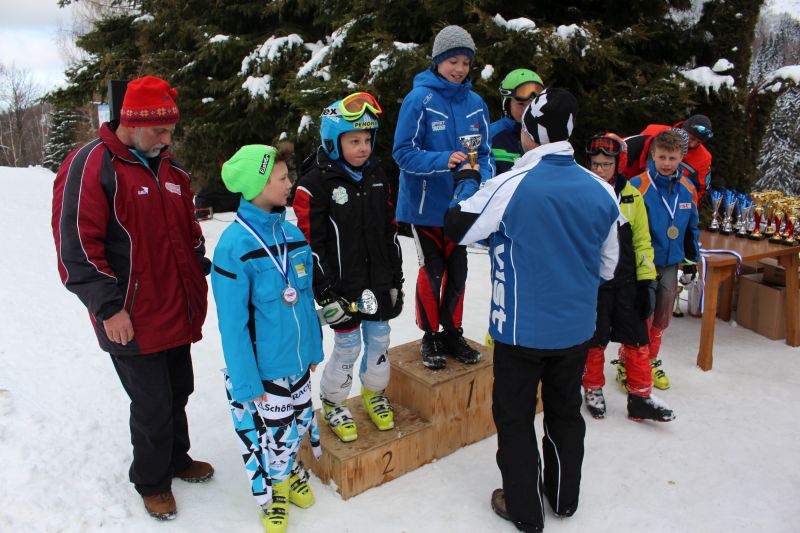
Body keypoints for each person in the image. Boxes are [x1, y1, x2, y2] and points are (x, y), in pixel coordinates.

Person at [444, 88, 621, 533]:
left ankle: (524, 509)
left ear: (531, 133)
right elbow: (608, 266)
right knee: (565, 412)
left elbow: (457, 226)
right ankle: (564, 498)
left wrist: (467, 178)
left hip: (520, 331)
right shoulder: (602, 190)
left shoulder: (511, 184)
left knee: (515, 418)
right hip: (575, 329)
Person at [51, 75, 213, 521]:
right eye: (159, 131)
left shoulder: (171, 169)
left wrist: (197, 263)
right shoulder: (91, 164)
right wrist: (108, 308)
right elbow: (76, 245)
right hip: (129, 315)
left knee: (178, 390)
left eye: (170, 131)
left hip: (175, 306)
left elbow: (188, 230)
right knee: (152, 403)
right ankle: (152, 481)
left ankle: (176, 459)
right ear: (132, 122)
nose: (167, 140)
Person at [211, 145, 324, 533]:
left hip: (297, 361)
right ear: (258, 186)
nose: (290, 183)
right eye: (282, 178)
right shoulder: (234, 247)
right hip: (264, 369)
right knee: (276, 435)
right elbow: (232, 325)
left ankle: (289, 471)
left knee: (301, 421)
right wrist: (246, 381)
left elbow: (304, 299)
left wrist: (313, 347)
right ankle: (274, 491)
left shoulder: (292, 234)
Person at [293, 92, 404, 443]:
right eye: (354, 140)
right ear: (333, 140)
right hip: (342, 288)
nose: (363, 148)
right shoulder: (314, 184)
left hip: (378, 280)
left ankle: (374, 392)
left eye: (367, 140)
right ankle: (334, 401)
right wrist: (325, 291)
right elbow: (310, 246)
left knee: (380, 340)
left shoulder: (377, 174)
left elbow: (390, 230)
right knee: (348, 347)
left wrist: (396, 278)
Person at [393, 24, 492, 369]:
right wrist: (442, 160)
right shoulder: (419, 99)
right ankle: (430, 335)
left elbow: (484, 155)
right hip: (424, 208)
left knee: (458, 272)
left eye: (466, 62)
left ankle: (452, 332)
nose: (460, 69)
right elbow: (402, 153)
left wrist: (476, 182)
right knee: (433, 270)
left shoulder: (476, 104)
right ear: (437, 61)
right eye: (453, 61)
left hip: (460, 207)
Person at [582, 133, 675, 423]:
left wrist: (647, 281)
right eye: (595, 164)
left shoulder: (633, 196)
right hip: (595, 284)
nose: (600, 170)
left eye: (606, 164)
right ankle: (592, 388)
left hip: (627, 282)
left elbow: (643, 241)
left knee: (637, 339)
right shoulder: (582, 191)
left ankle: (640, 396)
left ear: (618, 164)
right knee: (595, 339)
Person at [629, 129, 701, 390]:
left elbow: (692, 228)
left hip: (671, 264)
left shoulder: (688, 188)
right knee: (642, 314)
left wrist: (691, 262)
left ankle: (650, 360)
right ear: (652, 155)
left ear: (681, 157)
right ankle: (629, 361)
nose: (667, 163)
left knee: (662, 315)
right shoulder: (637, 185)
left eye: (672, 158)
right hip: (642, 263)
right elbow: (625, 226)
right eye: (662, 157)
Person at [623, 114, 714, 198]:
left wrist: (686, 204)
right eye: (692, 138)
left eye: (699, 142)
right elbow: (626, 152)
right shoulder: (654, 131)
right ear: (683, 129)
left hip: (670, 198)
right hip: (633, 187)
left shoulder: (704, 158)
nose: (693, 144)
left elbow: (701, 189)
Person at [490, 68, 545, 174]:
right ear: (507, 104)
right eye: (521, 104)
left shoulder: (545, 136)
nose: (527, 111)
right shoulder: (490, 136)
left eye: (532, 105)